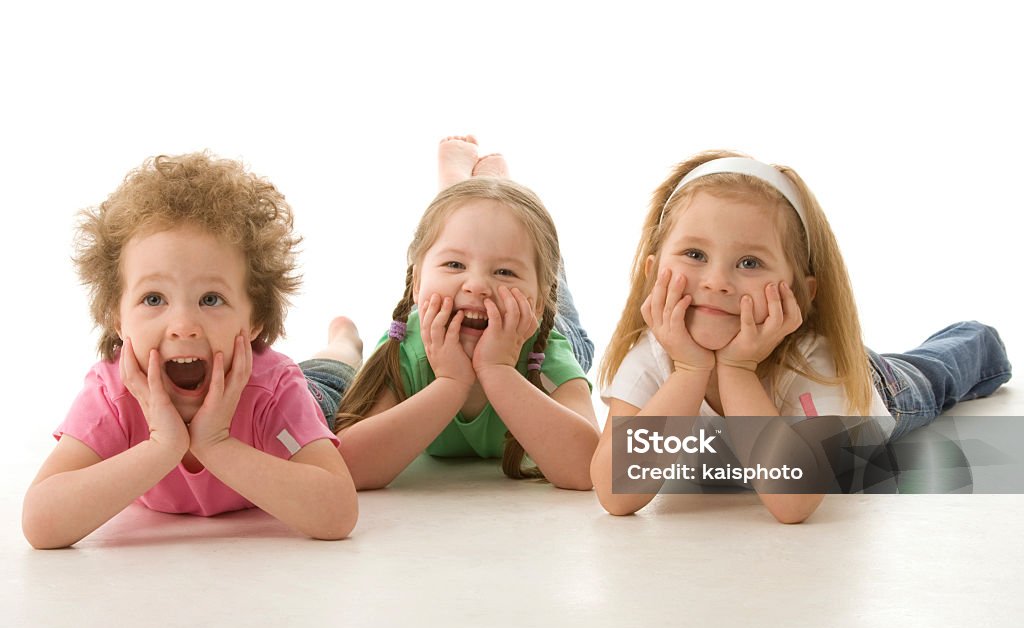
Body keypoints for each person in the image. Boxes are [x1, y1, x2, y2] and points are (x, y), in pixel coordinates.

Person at [591, 150, 1011, 522]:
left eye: (750, 262)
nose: (717, 281)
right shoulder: (651, 354)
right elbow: (615, 494)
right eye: (695, 254)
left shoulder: (814, 361)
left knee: (936, 374)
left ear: (800, 292)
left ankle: (978, 340)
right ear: (652, 273)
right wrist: (689, 370)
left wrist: (737, 369)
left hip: (878, 384)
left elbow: (792, 504)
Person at [23, 152, 358, 549]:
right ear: (118, 318)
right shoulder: (111, 395)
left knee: (331, 368)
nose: (182, 327)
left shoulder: (276, 390)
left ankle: (345, 342)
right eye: (153, 299)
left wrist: (215, 443)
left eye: (211, 299)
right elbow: (40, 524)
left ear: (254, 321)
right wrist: (162, 447)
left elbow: (338, 514)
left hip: (315, 393)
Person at [306, 137, 600, 491]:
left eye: (504, 272)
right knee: (488, 233)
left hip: (543, 327)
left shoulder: (548, 352)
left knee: (538, 263)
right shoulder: (408, 348)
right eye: (454, 263)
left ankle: (494, 192)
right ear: (417, 285)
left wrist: (499, 370)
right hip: (498, 300)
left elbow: (589, 469)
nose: (476, 285)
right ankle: (480, 193)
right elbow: (349, 466)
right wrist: (451, 384)